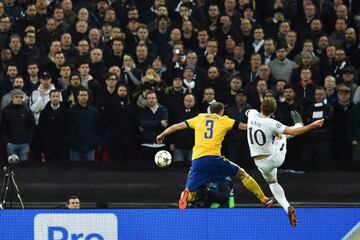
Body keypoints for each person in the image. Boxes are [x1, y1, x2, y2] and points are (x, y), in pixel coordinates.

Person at [156, 102, 276, 209]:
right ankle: (264, 199)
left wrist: (162, 134)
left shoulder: (199, 118)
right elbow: (247, 127)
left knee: (191, 194)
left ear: (209, 111)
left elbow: (177, 126)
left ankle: (185, 195)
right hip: (214, 159)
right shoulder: (224, 120)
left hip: (198, 161)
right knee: (242, 174)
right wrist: (268, 130)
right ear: (221, 111)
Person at [246, 98, 324, 227]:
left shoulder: (252, 114)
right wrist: (312, 125)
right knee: (283, 135)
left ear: (261, 107)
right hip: (274, 158)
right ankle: (299, 124)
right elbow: (293, 132)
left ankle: (287, 207)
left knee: (272, 183)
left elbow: (247, 111)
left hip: (259, 163)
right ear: (274, 110)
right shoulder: (271, 123)